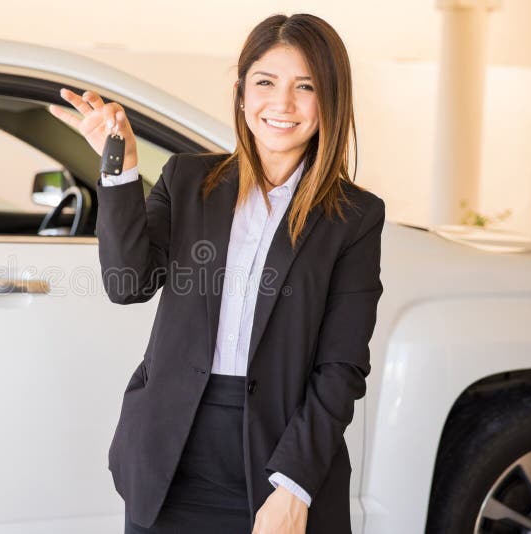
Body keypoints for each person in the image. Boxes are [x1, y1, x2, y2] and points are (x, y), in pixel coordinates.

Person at [49, 13, 385, 534]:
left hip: (278, 463)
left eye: (306, 87)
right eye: (266, 83)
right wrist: (119, 168)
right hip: (169, 459)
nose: (283, 104)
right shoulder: (187, 179)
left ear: (331, 100)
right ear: (242, 92)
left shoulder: (354, 217)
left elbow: (340, 368)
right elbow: (126, 284)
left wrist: (294, 486)